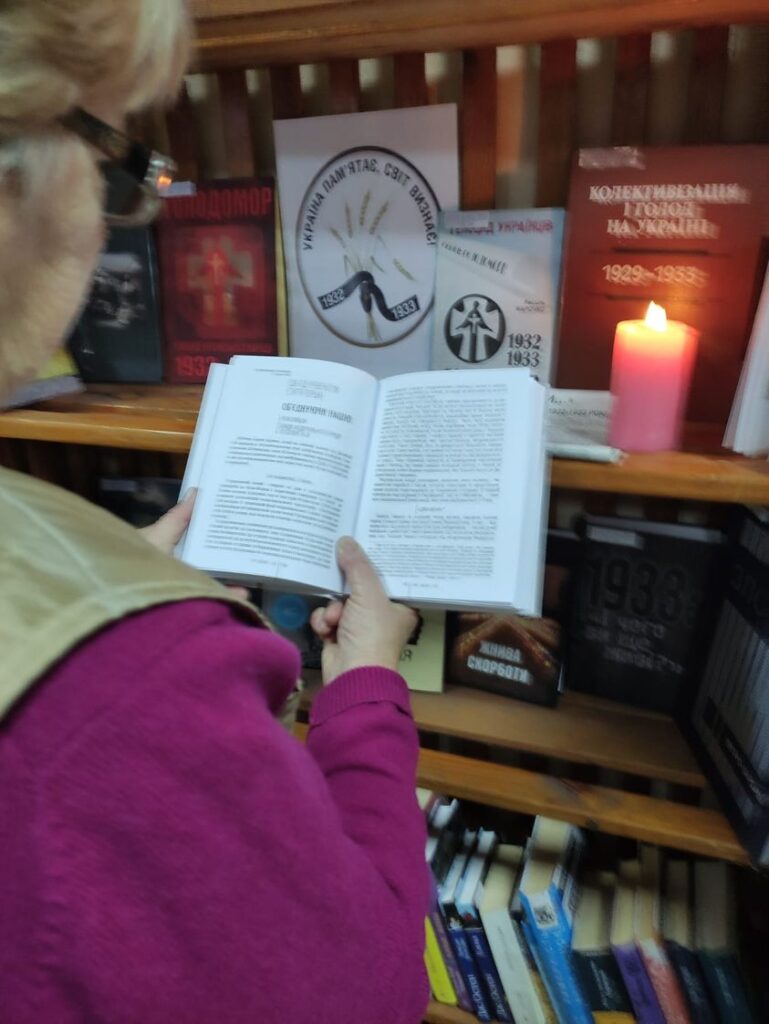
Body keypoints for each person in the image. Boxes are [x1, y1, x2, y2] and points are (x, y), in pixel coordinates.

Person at [0, 3, 430, 1022]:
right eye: (113, 162)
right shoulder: (118, 685)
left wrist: (98, 580)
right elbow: (370, 991)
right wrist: (365, 687)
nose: (109, 220)